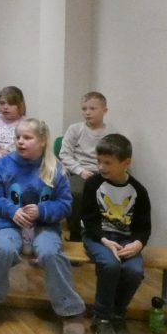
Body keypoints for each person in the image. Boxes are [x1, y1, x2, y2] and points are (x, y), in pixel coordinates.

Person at [0, 119, 88, 334]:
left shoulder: (55, 168)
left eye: (27, 138)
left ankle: (70, 310)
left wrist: (42, 210)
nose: (20, 141)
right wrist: (12, 211)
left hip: (44, 225)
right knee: (4, 249)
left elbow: (65, 205)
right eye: (18, 137)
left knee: (50, 253)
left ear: (43, 141)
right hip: (9, 222)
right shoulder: (3, 165)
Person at [82, 134, 151, 334]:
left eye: (108, 163)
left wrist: (138, 243)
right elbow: (89, 219)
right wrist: (103, 240)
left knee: (134, 271)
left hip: (125, 240)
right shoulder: (93, 184)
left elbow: (144, 226)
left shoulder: (138, 191)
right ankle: (101, 318)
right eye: (99, 161)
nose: (101, 167)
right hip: (98, 237)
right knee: (110, 265)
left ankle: (117, 314)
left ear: (125, 163)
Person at [61, 91, 113, 242]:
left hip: (103, 173)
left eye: (92, 108)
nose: (87, 112)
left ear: (104, 110)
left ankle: (104, 236)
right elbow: (65, 154)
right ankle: (75, 235)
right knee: (76, 193)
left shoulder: (111, 133)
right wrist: (80, 170)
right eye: (84, 109)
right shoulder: (75, 129)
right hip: (79, 172)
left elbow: (114, 157)